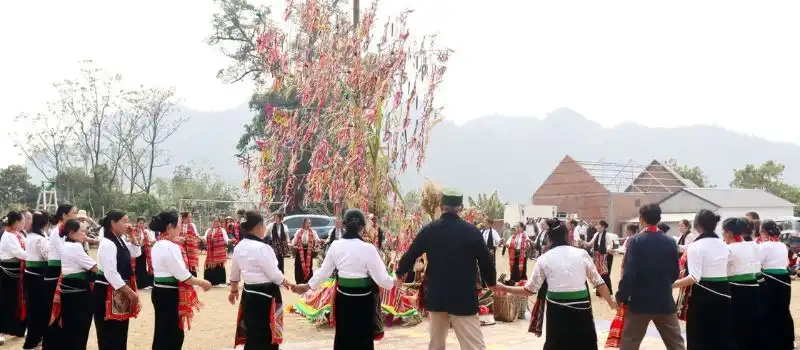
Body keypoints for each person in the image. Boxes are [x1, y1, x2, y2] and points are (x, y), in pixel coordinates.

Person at [395, 188, 495, 350]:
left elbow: (411, 254)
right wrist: (491, 282)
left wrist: (401, 273)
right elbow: (486, 261)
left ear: (441, 207)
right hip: (464, 298)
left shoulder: (429, 230)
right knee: (473, 346)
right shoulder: (471, 231)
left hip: (437, 296)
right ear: (461, 208)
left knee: (436, 344)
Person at [497, 221, 617, 350]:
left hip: (557, 312)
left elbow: (529, 290)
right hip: (581, 309)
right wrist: (611, 303)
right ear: (566, 236)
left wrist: (504, 288)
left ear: (549, 239)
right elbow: (599, 283)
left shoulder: (544, 259)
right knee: (585, 344)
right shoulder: (581, 254)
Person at [293, 208, 394, 349]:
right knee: (363, 338)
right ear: (363, 228)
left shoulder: (336, 246)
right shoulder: (368, 248)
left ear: (344, 225)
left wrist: (307, 286)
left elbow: (324, 272)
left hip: (343, 300)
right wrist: (396, 282)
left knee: (343, 337)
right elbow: (383, 280)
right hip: (363, 302)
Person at [616, 204, 685, 350]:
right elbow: (675, 272)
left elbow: (629, 273)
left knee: (630, 343)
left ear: (641, 219)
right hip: (664, 300)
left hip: (639, 301)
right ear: (659, 218)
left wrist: (621, 295)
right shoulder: (670, 242)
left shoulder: (635, 241)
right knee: (676, 344)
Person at [229, 210, 295, 350]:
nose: (265, 227)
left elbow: (234, 273)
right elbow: (274, 274)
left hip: (249, 294)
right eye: (264, 224)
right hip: (265, 296)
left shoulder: (239, 247)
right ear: (258, 226)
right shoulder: (263, 248)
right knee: (266, 333)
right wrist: (288, 283)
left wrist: (233, 291)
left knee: (252, 331)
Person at [149, 211, 212, 350]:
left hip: (159, 291)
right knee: (173, 335)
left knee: (162, 332)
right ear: (170, 227)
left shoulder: (158, 244)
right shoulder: (171, 246)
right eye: (179, 224)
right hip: (169, 294)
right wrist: (203, 282)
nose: (181, 228)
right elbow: (182, 275)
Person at [672, 209, 733, 350]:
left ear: (697, 225)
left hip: (703, 295)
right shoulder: (724, 245)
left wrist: (671, 285)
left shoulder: (695, 246)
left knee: (698, 335)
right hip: (724, 292)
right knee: (720, 333)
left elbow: (694, 277)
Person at [94, 210, 142, 350]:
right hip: (107, 290)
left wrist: (132, 237)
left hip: (118, 289)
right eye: (124, 221)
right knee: (109, 332)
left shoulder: (119, 240)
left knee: (120, 330)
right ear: (113, 223)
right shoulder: (108, 243)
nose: (128, 224)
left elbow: (136, 253)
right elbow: (111, 273)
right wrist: (130, 292)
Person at [52, 219, 99, 350]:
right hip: (77, 291)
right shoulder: (74, 247)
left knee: (71, 325)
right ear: (72, 233)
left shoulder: (70, 245)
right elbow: (95, 267)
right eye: (82, 231)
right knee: (79, 326)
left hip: (71, 288)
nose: (85, 234)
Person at [721, 217, 761, 350]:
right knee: (750, 323)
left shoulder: (728, 249)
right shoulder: (752, 245)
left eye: (723, 232)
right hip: (754, 286)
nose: (722, 235)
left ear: (729, 233)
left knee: (736, 325)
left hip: (736, 289)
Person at [43, 203, 78, 348]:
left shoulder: (65, 230)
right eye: (74, 213)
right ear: (64, 215)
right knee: (55, 310)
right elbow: (66, 252)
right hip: (56, 272)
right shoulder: (58, 231)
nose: (76, 215)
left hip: (62, 270)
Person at [758, 219, 795, 349]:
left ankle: (771, 342)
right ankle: (787, 341)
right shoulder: (783, 245)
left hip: (770, 279)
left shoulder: (763, 246)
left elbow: (758, 264)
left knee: (768, 310)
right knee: (783, 310)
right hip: (784, 279)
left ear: (763, 232)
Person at [22, 211, 50, 350]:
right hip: (38, 278)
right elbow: (47, 256)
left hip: (31, 276)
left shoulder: (32, 236)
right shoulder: (40, 238)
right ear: (46, 223)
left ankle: (35, 339)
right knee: (39, 310)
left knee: (34, 310)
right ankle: (33, 341)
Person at [0, 211, 27, 344]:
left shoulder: (18, 234)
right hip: (8, 272)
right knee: (6, 302)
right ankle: (1, 331)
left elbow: (26, 248)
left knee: (17, 302)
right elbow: (19, 253)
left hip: (18, 272)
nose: (24, 223)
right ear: (16, 222)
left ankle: (17, 329)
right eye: (23, 221)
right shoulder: (8, 236)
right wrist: (33, 256)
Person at [587, 220, 615, 295]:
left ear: (603, 226)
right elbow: (590, 243)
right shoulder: (596, 234)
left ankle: (608, 291)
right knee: (598, 274)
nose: (597, 226)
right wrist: (584, 243)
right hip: (598, 257)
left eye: (598, 225)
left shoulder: (607, 235)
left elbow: (610, 245)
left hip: (606, 256)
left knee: (605, 274)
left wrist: (608, 249)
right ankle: (600, 292)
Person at [291, 218, 320, 284]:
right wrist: (292, 244)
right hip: (300, 252)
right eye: (307, 223)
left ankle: (308, 283)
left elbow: (317, 241)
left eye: (309, 223)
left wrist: (317, 245)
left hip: (308, 253)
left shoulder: (313, 232)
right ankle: (299, 283)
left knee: (309, 267)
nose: (308, 225)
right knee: (298, 267)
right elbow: (294, 242)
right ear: (304, 224)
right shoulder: (299, 231)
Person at [203, 216, 230, 287]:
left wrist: (230, 241)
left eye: (217, 221)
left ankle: (220, 282)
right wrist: (202, 239)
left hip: (219, 254)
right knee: (209, 266)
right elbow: (204, 239)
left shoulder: (223, 230)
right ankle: (209, 282)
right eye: (214, 221)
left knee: (219, 266)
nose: (215, 223)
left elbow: (226, 240)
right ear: (212, 222)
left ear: (219, 223)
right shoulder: (208, 230)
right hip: (210, 254)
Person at [134, 217, 156, 290]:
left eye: (143, 223)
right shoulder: (133, 231)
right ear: (137, 223)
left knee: (143, 266)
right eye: (140, 223)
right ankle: (137, 284)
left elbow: (151, 240)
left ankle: (144, 284)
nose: (141, 224)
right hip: (135, 252)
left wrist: (151, 242)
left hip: (143, 251)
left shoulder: (145, 232)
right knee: (136, 267)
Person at [179, 212, 200, 277]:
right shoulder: (179, 225)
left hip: (191, 248)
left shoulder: (192, 225)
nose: (190, 218)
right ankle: (183, 278)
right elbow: (176, 235)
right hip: (181, 247)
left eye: (191, 217)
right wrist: (181, 238)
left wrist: (200, 238)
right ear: (184, 218)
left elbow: (196, 234)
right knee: (182, 261)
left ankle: (193, 278)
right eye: (189, 217)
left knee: (191, 262)